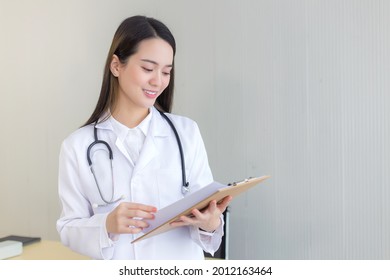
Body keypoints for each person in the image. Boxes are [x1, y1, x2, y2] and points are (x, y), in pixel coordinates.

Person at [56, 15, 232, 260]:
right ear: (116, 65)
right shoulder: (78, 146)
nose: (157, 81)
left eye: (166, 72)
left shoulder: (186, 133)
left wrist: (210, 222)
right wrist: (106, 224)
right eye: (148, 68)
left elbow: (207, 224)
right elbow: (68, 228)